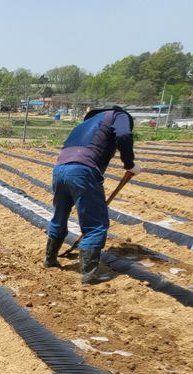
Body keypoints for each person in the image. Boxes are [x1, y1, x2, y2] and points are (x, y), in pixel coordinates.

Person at [44, 106, 141, 284]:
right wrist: (129, 163)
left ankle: (50, 259)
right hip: (83, 172)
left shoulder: (84, 125)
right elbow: (124, 136)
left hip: (59, 171)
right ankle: (89, 274)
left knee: (59, 216)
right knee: (96, 224)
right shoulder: (118, 115)